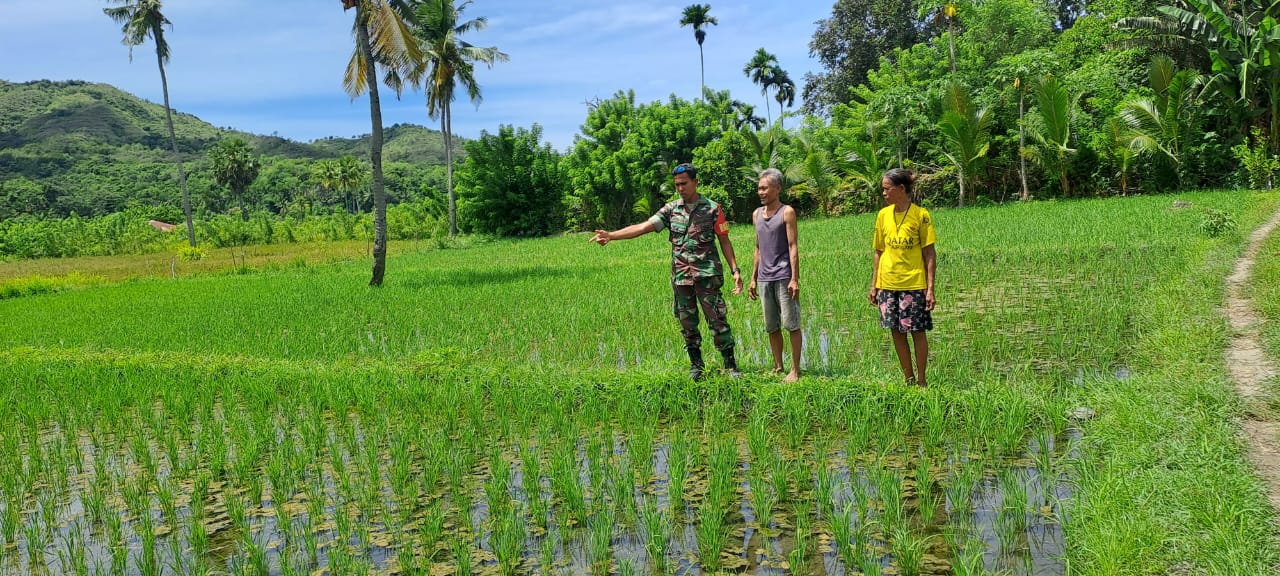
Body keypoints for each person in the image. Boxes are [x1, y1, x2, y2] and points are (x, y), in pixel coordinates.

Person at [591, 163, 744, 380]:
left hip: (707, 276)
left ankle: (731, 366)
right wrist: (612, 235)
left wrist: (735, 270)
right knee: (687, 324)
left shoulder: (712, 209)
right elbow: (643, 227)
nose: (680, 188)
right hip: (682, 278)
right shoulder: (671, 210)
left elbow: (725, 241)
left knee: (718, 321)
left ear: (695, 182)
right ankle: (696, 366)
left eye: (684, 184)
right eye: (677, 185)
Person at [869, 168, 936, 386]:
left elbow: (929, 253)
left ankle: (922, 381)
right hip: (888, 283)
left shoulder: (921, 215)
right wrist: (874, 285)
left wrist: (930, 288)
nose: (884, 193)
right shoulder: (882, 215)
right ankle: (908, 379)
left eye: (887, 189)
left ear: (901, 189)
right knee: (896, 332)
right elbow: (879, 251)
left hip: (914, 284)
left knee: (917, 331)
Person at [748, 168, 802, 382]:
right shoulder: (756, 214)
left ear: (777, 189)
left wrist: (794, 278)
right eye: (759, 188)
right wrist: (753, 278)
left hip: (783, 276)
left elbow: (793, 246)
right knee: (771, 326)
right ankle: (778, 366)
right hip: (764, 278)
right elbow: (758, 248)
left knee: (792, 323)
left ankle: (795, 370)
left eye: (765, 188)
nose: (761, 192)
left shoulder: (786, 212)